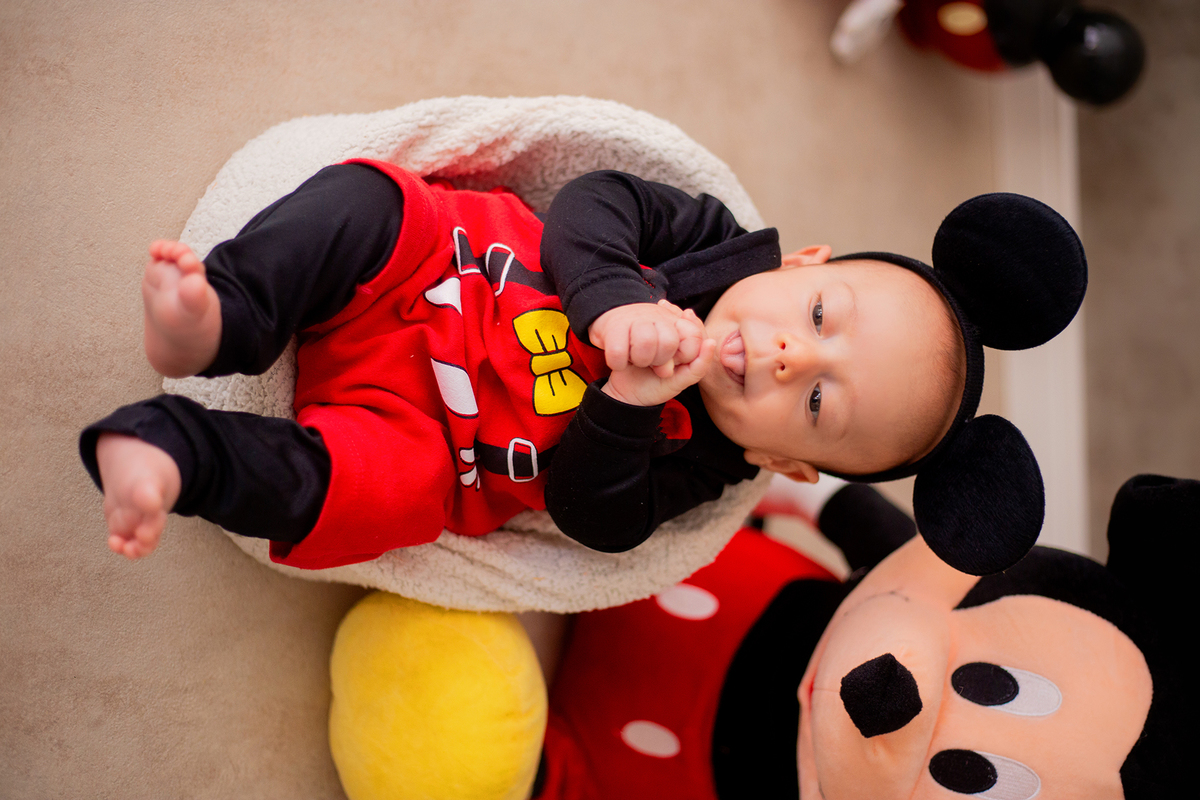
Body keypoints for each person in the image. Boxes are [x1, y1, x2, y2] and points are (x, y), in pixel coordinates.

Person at [79, 159, 1077, 572]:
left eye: (817, 398)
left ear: (791, 466)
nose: (785, 351)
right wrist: (615, 303)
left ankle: (176, 451)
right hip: (438, 268)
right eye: (818, 313)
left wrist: (631, 402)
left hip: (424, 439)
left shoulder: (707, 467)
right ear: (806, 261)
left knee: (373, 495)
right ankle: (220, 321)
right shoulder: (720, 245)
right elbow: (592, 198)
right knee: (366, 200)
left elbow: (596, 519)